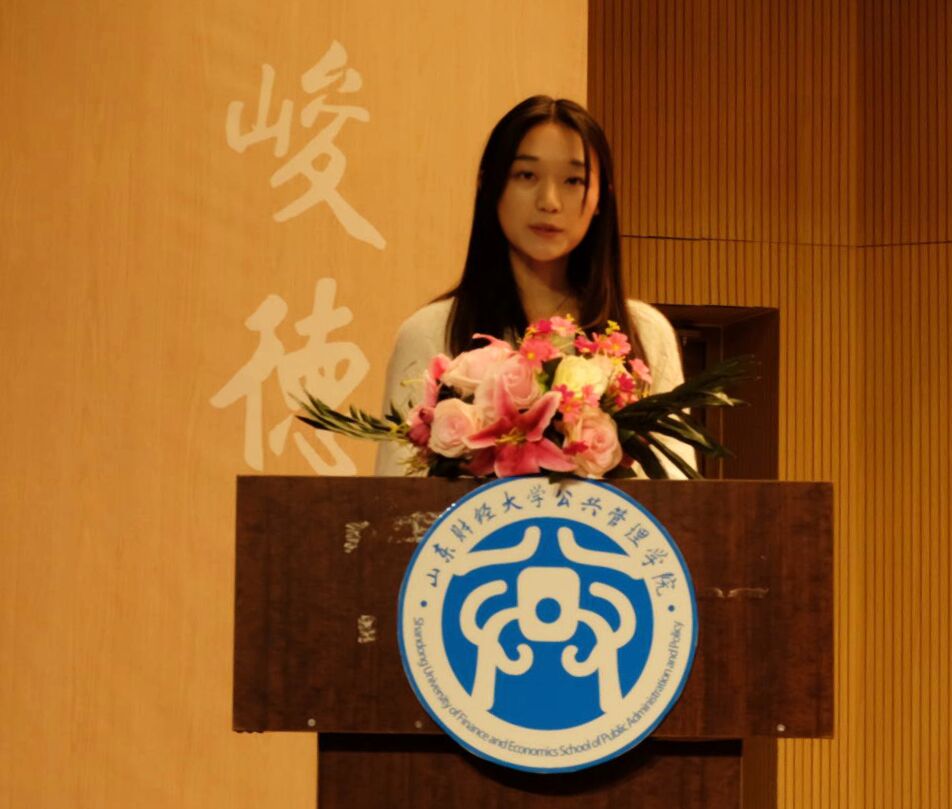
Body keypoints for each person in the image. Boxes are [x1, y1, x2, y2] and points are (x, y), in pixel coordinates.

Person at [375, 95, 695, 477]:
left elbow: (677, 492)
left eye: (573, 180)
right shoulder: (430, 332)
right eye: (526, 176)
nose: (549, 201)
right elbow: (397, 494)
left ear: (601, 199)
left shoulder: (645, 333)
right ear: (489, 185)